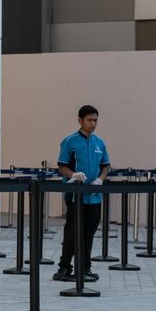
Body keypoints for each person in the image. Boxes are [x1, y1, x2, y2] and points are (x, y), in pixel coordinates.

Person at [53, 105, 110, 282]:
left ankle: (85, 268)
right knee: (72, 232)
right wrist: (73, 175)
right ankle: (64, 267)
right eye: (89, 120)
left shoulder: (100, 142)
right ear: (80, 120)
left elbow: (105, 166)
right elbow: (62, 166)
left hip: (94, 197)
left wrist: (100, 179)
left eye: (95, 120)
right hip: (75, 195)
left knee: (89, 233)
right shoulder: (69, 141)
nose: (93, 124)